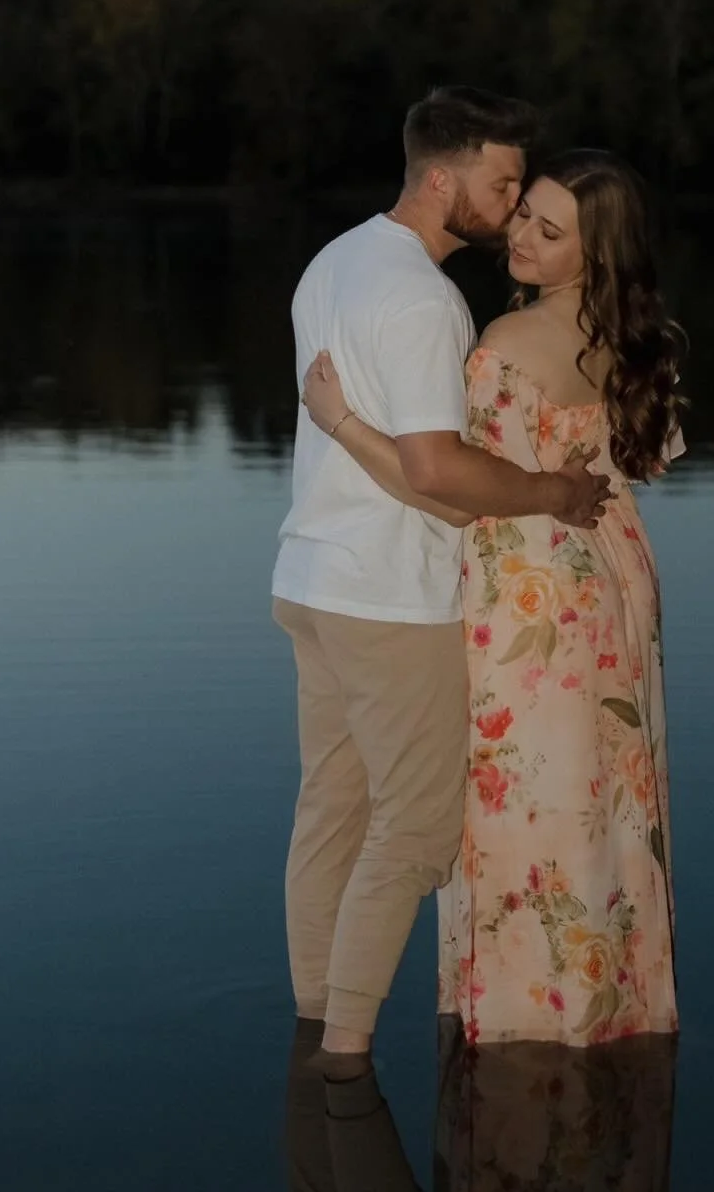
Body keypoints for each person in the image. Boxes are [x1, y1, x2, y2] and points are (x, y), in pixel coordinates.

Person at [302, 149, 686, 1048]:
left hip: (530, 593)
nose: (520, 237)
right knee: (604, 791)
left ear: (597, 255)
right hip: (618, 580)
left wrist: (342, 423)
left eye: (551, 234)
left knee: (527, 798)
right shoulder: (641, 337)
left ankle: (525, 1014)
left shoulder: (506, 350)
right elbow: (646, 460)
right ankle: (611, 1001)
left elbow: (444, 484)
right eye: (524, 217)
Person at [272, 90, 611, 1092]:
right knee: (415, 831)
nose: (511, 208)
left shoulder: (334, 258)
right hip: (386, 597)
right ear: (440, 178)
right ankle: (344, 1061)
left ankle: (310, 1022)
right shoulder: (424, 299)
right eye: (502, 183)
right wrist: (553, 490)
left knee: (332, 808)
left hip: (309, 577)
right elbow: (439, 477)